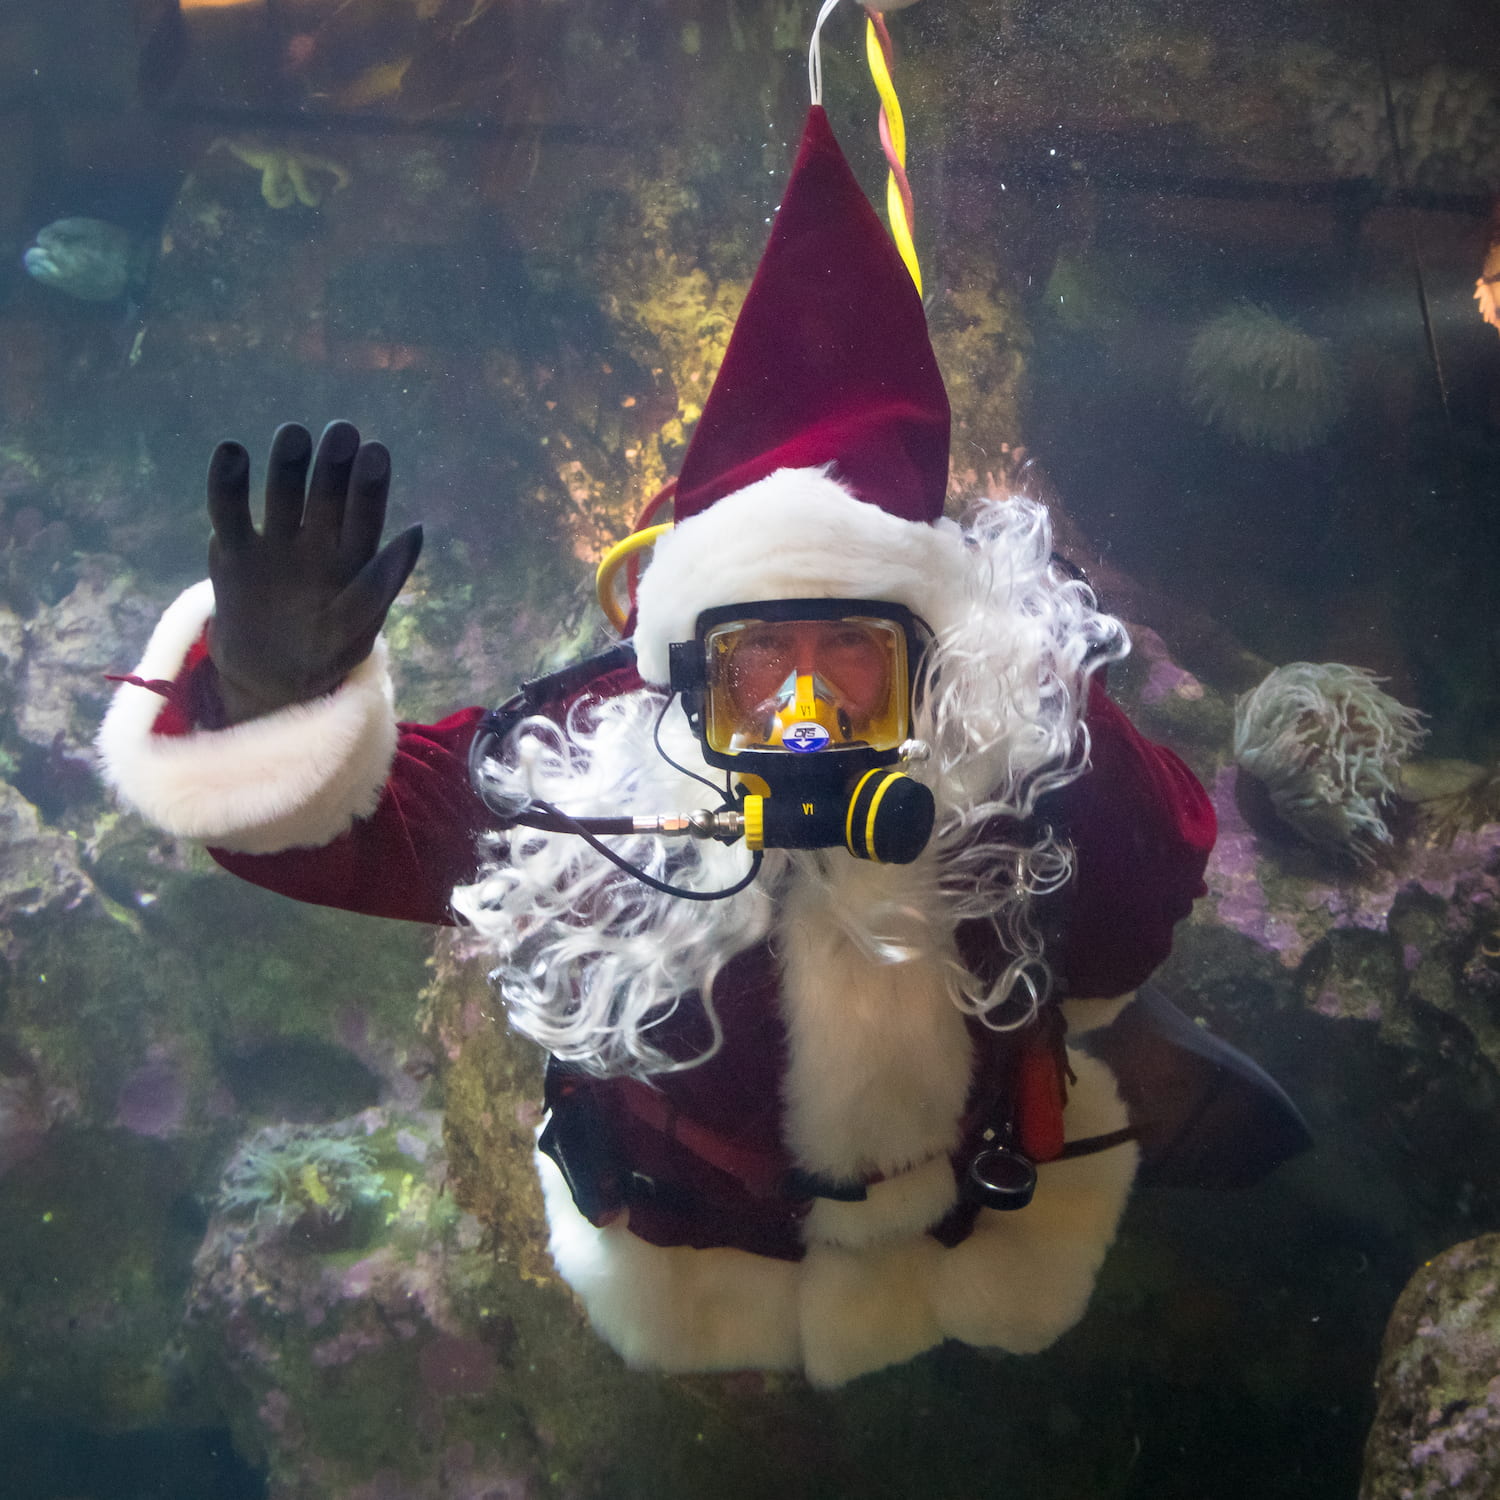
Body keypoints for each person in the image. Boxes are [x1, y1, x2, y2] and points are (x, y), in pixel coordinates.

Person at [98, 103, 1306, 1388]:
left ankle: (1143, 1073)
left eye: (850, 648)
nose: (802, 704)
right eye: (754, 660)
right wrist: (270, 708)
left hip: (964, 1226)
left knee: (1104, 1016)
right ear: (679, 675)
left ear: (927, 660)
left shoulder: (993, 746)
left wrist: (1036, 695)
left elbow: (1157, 876)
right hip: (688, 1262)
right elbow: (360, 837)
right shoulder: (602, 754)